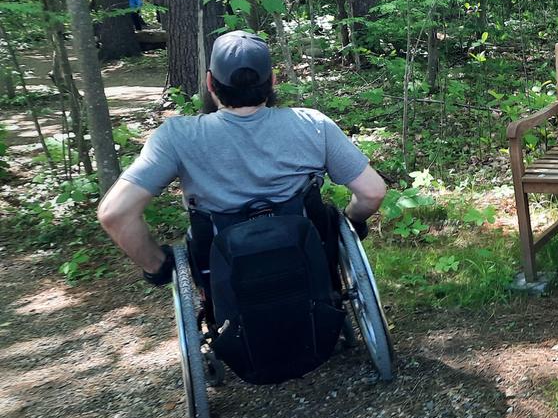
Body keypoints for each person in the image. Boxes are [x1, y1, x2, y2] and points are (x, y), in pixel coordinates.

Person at [98, 30, 386, 286]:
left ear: (210, 83)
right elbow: (372, 193)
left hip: (221, 264)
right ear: (272, 80)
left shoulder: (177, 136)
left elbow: (115, 214)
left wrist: (158, 267)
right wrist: (351, 221)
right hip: (307, 253)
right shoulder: (313, 124)